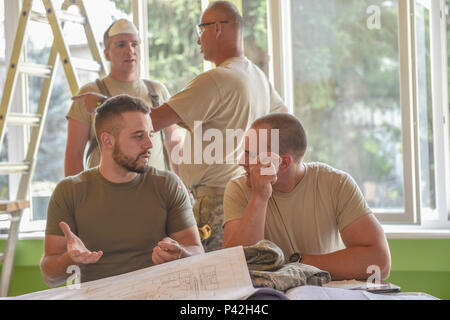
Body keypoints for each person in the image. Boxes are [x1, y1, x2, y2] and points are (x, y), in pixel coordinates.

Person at [77, 2, 287, 252]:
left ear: (218, 29)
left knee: (213, 281)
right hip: (242, 193)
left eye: (202, 31)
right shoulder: (258, 77)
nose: (199, 42)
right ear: (107, 52)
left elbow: (149, 122)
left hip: (215, 203)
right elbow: (285, 123)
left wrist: (102, 103)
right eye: (121, 44)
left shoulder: (215, 80)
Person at [41, 95, 203, 286]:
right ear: (108, 141)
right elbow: (50, 276)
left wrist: (181, 254)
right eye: (138, 136)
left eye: (150, 135)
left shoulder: (167, 184)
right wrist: (70, 259)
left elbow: (197, 252)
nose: (149, 145)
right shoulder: (69, 191)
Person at [222, 113, 391, 281]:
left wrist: (296, 264)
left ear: (283, 162)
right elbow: (234, 268)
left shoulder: (335, 183)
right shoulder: (238, 188)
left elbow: (380, 263)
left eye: (250, 155)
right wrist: (259, 197)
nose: (241, 161)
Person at [65, 18, 182, 177]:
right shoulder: (89, 94)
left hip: (155, 195)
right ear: (107, 54)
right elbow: (74, 152)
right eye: (121, 44)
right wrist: (76, 196)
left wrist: (184, 184)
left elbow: (173, 142)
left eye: (134, 44)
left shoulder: (157, 91)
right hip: (105, 196)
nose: (130, 50)